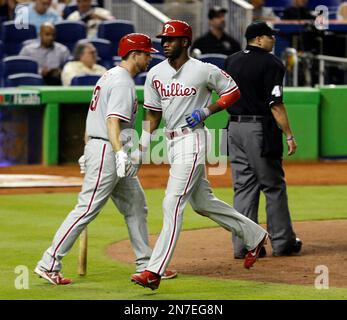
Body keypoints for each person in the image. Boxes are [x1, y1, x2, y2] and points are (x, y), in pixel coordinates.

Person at [130, 20, 268, 291]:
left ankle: (153, 270)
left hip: (192, 140)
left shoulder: (203, 69)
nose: (165, 43)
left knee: (172, 202)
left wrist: (208, 110)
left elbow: (233, 91)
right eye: (164, 39)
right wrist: (141, 146)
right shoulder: (155, 73)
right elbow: (152, 115)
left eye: (172, 39)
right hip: (170, 142)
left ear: (185, 41)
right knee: (203, 203)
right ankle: (256, 235)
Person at [34, 33, 177, 285]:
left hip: (101, 147)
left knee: (136, 207)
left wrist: (87, 148)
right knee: (87, 208)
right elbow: (112, 121)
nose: (149, 59)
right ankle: (49, 262)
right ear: (135, 55)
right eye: (146, 54)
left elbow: (94, 118)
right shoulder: (122, 82)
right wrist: (120, 152)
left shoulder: (109, 75)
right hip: (109, 152)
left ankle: (148, 264)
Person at [224, 21, 302, 259]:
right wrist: (289, 134)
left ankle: (244, 245)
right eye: (270, 36)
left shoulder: (231, 61)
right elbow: (275, 104)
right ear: (258, 39)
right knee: (273, 185)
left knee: (244, 187)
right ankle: (283, 242)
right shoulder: (271, 63)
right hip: (259, 128)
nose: (274, 39)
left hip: (234, 129)